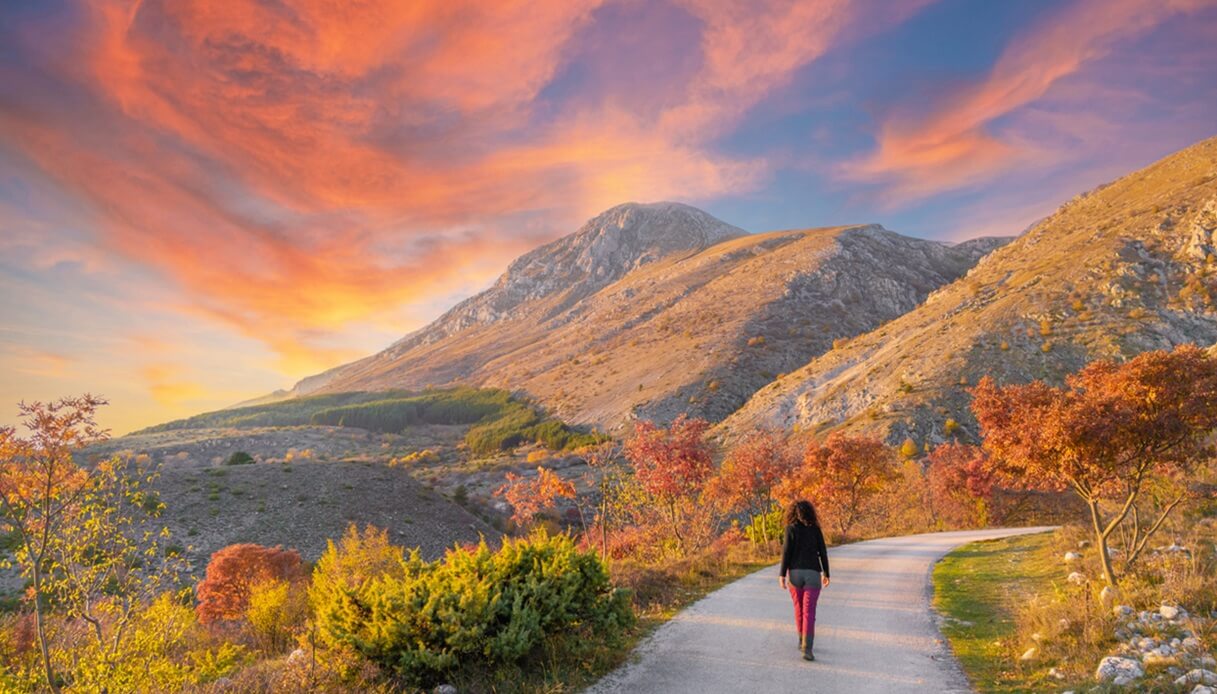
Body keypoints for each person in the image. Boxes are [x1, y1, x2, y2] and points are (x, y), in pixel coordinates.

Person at [778, 499, 830, 661]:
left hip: (794, 574)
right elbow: (823, 552)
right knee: (809, 611)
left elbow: (786, 552)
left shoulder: (790, 529)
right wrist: (826, 573)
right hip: (813, 574)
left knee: (798, 608)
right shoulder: (815, 530)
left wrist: (782, 575)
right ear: (810, 513)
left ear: (793, 513)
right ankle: (808, 648)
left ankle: (801, 639)